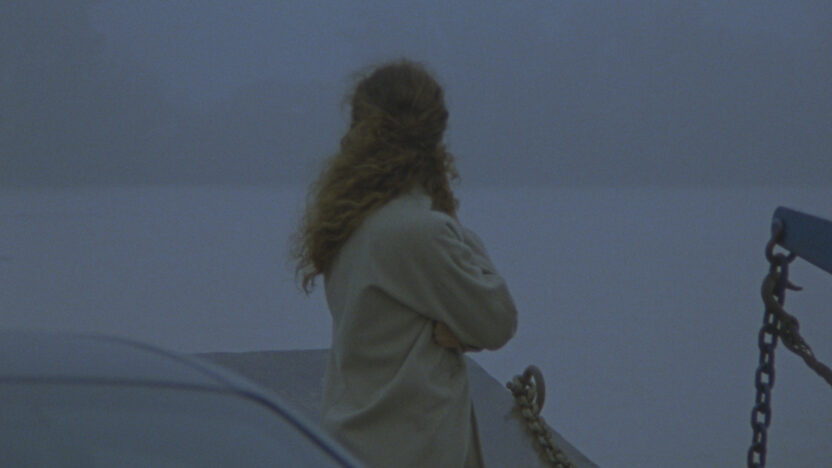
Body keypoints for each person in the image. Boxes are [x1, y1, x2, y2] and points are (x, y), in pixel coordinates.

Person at [293, 60, 517, 468]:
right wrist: (462, 327)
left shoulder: (350, 222)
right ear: (435, 137)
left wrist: (460, 327)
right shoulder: (422, 232)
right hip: (414, 451)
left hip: (349, 444)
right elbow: (498, 318)